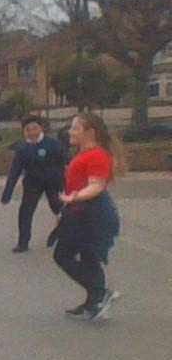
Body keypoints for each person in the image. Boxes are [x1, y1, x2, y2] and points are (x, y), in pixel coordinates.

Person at [51, 113, 123, 321]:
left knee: (63, 255)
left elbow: (96, 186)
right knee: (88, 256)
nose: (70, 132)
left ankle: (100, 293)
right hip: (80, 211)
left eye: (75, 128)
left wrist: (75, 197)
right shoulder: (85, 153)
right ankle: (94, 301)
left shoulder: (97, 155)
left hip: (91, 213)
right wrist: (66, 207)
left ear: (89, 132)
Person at [1, 115, 67, 252]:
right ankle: (23, 243)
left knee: (58, 209)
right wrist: (7, 193)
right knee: (25, 212)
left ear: (41, 128)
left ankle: (66, 236)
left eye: (35, 129)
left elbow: (67, 161)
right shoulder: (22, 148)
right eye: (28, 130)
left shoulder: (52, 144)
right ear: (24, 131)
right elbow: (14, 171)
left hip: (53, 182)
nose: (32, 133)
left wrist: (67, 183)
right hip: (32, 184)